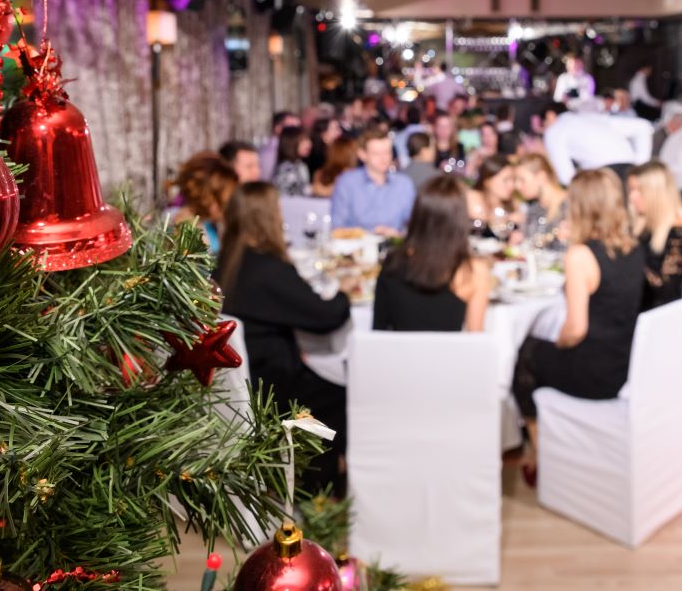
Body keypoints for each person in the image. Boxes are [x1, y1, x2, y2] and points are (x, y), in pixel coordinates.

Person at [510, 169, 646, 483]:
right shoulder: (632, 247)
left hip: (593, 374)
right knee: (537, 347)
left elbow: (576, 330)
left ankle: (539, 450)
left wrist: (557, 343)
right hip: (622, 363)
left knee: (525, 355)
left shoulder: (581, 255)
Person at [217, 183, 354, 492]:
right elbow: (327, 317)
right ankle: (319, 488)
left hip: (241, 382)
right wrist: (345, 292)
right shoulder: (267, 270)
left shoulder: (225, 261)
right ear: (266, 218)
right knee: (342, 395)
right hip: (273, 388)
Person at [374, 176, 492, 333]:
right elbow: (476, 338)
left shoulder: (393, 263)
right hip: (449, 357)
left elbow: (378, 333)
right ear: (460, 221)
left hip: (399, 356)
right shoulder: (473, 272)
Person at [330, 124, 417, 235]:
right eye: (377, 154)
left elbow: (415, 225)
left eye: (387, 152)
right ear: (362, 154)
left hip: (394, 248)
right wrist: (370, 233)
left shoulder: (403, 184)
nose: (384, 158)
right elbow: (337, 227)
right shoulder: (347, 183)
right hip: (356, 248)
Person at [541, 101, 654, 186]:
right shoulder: (592, 117)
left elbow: (566, 177)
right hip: (630, 168)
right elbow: (643, 126)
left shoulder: (554, 129)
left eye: (544, 124)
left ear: (550, 115)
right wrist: (640, 167)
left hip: (604, 178)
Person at [627, 161, 682, 311]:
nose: (631, 197)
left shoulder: (676, 236)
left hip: (655, 316)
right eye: (631, 190)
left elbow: (666, 292)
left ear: (656, 194)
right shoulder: (641, 224)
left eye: (639, 191)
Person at [172, 152, 239, 254]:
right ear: (208, 198)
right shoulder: (187, 229)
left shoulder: (208, 223)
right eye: (226, 200)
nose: (230, 205)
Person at [467, 154, 524, 242]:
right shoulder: (473, 197)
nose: (511, 185)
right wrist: (507, 219)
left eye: (513, 179)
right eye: (505, 180)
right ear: (487, 181)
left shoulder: (513, 203)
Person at [514, 153, 568, 245]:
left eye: (522, 180)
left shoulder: (572, 205)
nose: (517, 186)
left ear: (541, 177)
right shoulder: (534, 209)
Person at [272, 126, 312, 197]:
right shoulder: (286, 169)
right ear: (291, 142)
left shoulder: (299, 164)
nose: (309, 144)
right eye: (303, 140)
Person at [259, 110, 300, 178]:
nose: (297, 133)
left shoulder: (289, 148)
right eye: (292, 128)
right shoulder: (271, 151)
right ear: (278, 128)